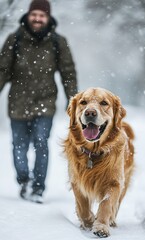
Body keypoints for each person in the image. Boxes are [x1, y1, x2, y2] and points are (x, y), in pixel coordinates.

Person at [0, 0, 78, 203]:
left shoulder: (57, 42)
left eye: (41, 15)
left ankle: (38, 188)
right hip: (18, 102)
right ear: (28, 15)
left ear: (48, 18)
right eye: (34, 14)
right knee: (19, 145)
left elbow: (68, 73)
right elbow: (2, 70)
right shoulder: (14, 39)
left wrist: (74, 100)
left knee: (41, 143)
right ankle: (24, 180)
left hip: (46, 102)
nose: (37, 18)